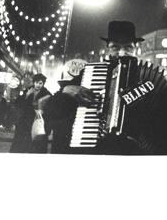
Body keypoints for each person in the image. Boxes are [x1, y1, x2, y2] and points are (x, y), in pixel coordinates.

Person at [44, 20, 144, 154]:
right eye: (115, 47)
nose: (121, 53)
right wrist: (66, 90)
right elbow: (51, 110)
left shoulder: (146, 77)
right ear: (108, 48)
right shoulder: (91, 74)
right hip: (98, 148)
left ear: (135, 49)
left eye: (128, 47)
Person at [10, 73, 52, 153]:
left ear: (43, 84)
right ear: (33, 82)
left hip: (38, 123)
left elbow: (50, 110)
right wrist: (26, 95)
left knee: (36, 148)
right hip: (25, 123)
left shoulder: (47, 94)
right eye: (36, 83)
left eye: (41, 83)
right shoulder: (27, 91)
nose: (38, 85)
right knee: (21, 147)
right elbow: (18, 104)